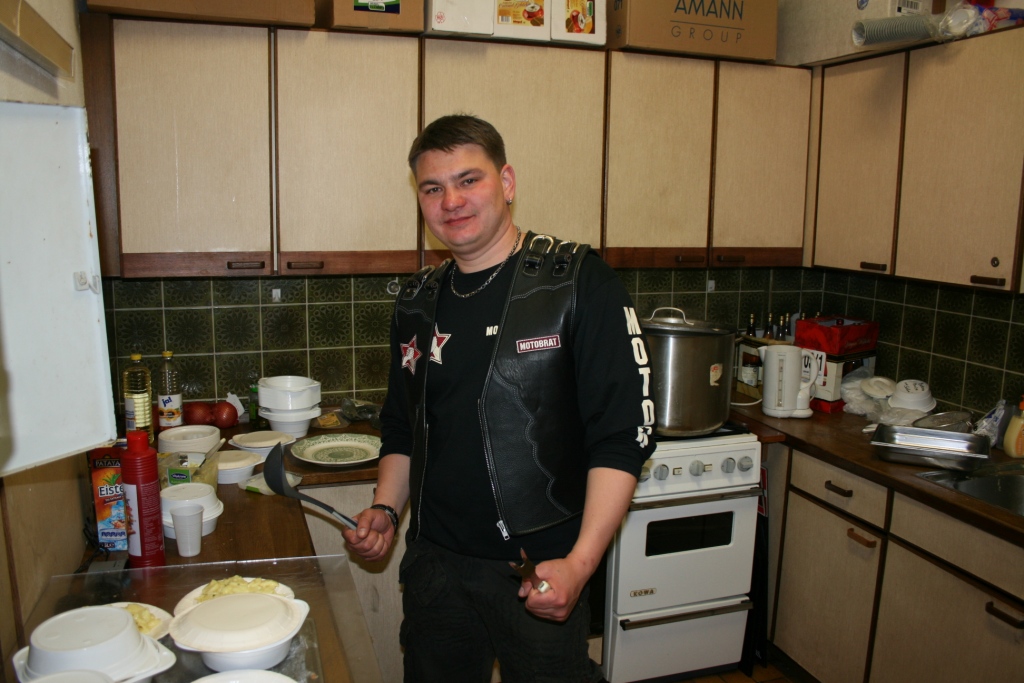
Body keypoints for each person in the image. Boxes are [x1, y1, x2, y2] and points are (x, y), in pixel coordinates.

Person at [343, 114, 656, 683]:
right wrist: (387, 509)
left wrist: (580, 564)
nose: (451, 201)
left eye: (469, 180)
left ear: (506, 182)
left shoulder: (576, 282)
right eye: (432, 188)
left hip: (540, 569)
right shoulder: (416, 300)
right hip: (436, 570)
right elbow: (402, 425)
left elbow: (622, 436)